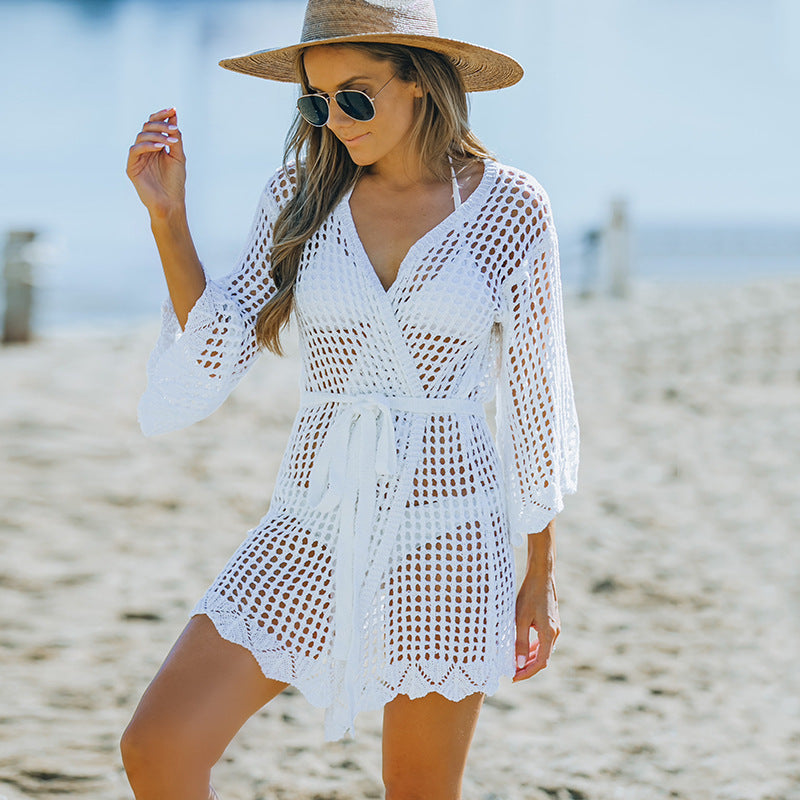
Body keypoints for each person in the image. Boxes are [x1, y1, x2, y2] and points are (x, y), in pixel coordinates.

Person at [121, 0, 580, 798]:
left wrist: (537, 576)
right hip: (311, 517)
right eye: (317, 102)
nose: (336, 120)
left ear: (422, 86)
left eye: (356, 96)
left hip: (450, 533)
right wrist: (168, 219)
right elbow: (218, 346)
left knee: (419, 790)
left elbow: (539, 403)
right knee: (158, 745)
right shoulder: (301, 197)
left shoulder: (510, 208)